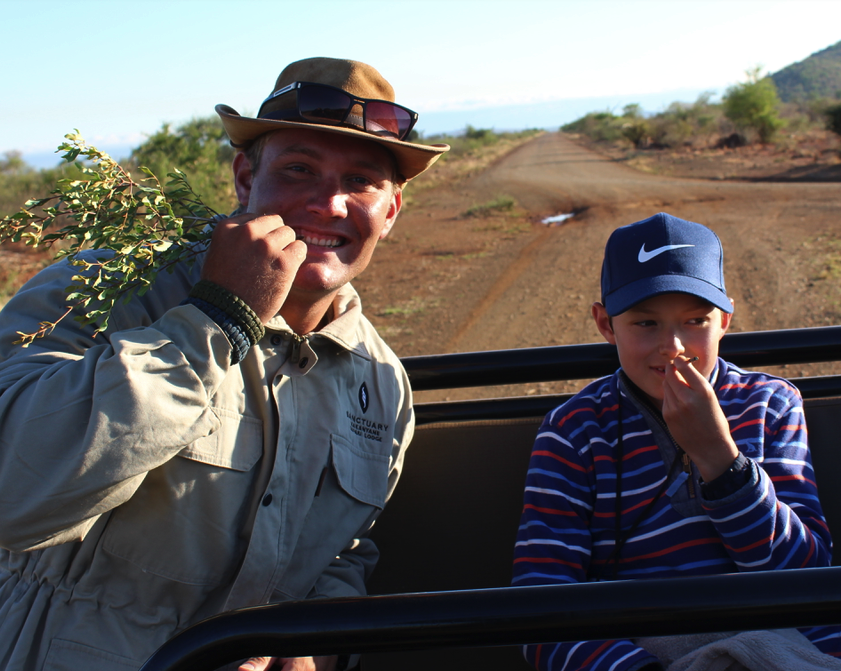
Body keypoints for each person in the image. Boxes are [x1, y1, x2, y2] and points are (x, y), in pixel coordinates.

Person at [0, 57, 448, 671]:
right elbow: (13, 491)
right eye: (299, 170)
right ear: (244, 177)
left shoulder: (379, 379)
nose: (330, 203)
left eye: (362, 182)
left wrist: (311, 643)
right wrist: (219, 317)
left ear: (391, 211)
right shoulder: (110, 289)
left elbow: (340, 551)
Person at [512, 212, 841, 671]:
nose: (673, 346)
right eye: (646, 324)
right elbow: (541, 603)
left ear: (724, 319)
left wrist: (720, 460)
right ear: (606, 324)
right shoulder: (574, 431)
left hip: (786, 640)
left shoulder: (769, 404)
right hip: (649, 649)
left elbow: (805, 573)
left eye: (694, 320)